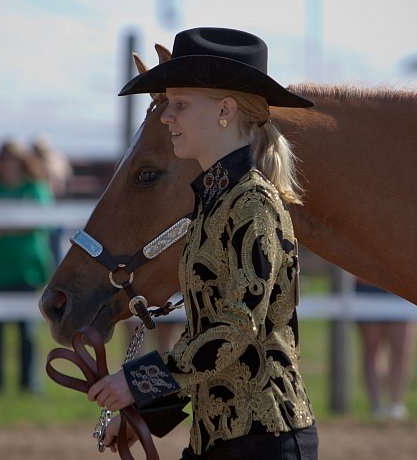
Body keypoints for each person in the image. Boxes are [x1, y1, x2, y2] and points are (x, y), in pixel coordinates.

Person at [87, 27, 318, 459]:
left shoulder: (253, 204)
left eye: (179, 104)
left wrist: (135, 383)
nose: (166, 117)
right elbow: (203, 330)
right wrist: (149, 412)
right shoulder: (214, 202)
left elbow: (235, 329)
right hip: (221, 441)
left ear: (225, 110)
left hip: (265, 441)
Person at [0, 139, 55, 394]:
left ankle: (29, 383)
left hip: (28, 270)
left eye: (14, 158)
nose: (9, 164)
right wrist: (16, 223)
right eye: (4, 158)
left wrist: (1, 225)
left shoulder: (36, 189)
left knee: (27, 331)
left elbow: (38, 222)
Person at [355, 277, 417, 420]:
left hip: (402, 286)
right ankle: (376, 406)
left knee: (402, 349)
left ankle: (396, 405)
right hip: (368, 286)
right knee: (372, 348)